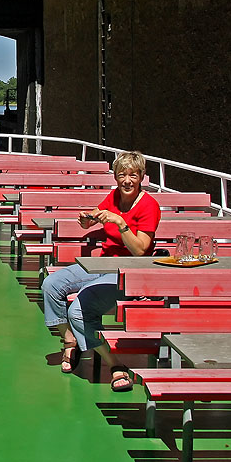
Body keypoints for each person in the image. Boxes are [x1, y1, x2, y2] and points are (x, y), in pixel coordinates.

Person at [40, 150, 159, 391]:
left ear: (142, 177)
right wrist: (87, 220)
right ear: (115, 177)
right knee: (50, 285)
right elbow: (95, 215)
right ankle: (69, 340)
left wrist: (121, 224)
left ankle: (115, 365)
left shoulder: (149, 206)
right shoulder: (114, 197)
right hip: (102, 264)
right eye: (122, 175)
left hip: (129, 273)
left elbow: (141, 251)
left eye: (133, 176)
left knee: (78, 311)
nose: (127, 180)